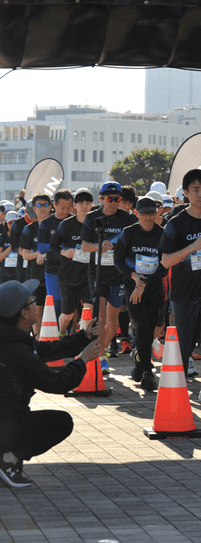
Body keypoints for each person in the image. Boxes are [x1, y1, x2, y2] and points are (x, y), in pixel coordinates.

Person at [0, 279, 101, 488]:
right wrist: (82, 361)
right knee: (61, 422)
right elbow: (56, 383)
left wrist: (84, 336)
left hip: (6, 420)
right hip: (6, 426)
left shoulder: (11, 340)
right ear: (23, 313)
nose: (36, 305)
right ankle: (8, 459)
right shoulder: (15, 350)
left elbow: (46, 351)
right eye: (31, 301)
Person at [158, 169, 201, 404]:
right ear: (185, 193)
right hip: (183, 294)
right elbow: (166, 261)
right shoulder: (176, 224)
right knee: (184, 345)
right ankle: (174, 391)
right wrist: (191, 248)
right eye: (195, 190)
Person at [113, 196, 168, 392]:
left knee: (151, 329)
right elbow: (118, 259)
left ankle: (139, 357)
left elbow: (165, 265)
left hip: (153, 289)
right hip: (132, 288)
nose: (148, 216)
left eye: (152, 212)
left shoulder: (163, 234)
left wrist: (145, 282)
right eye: (144, 213)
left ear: (157, 213)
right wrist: (133, 275)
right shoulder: (128, 233)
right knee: (141, 327)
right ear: (136, 213)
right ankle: (148, 372)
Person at [82, 182, 137, 375]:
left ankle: (102, 350)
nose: (113, 202)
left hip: (118, 274)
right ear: (101, 199)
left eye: (117, 199)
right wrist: (100, 246)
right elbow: (84, 247)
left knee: (113, 321)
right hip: (97, 273)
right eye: (109, 199)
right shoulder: (92, 217)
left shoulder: (128, 218)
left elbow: (133, 244)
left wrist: (118, 248)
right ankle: (100, 357)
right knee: (101, 316)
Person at [51, 188, 94, 335]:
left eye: (88, 203)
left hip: (89, 276)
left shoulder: (96, 225)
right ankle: (62, 332)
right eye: (80, 203)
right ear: (75, 205)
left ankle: (82, 341)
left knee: (88, 310)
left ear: (92, 205)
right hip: (68, 276)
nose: (84, 206)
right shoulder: (66, 225)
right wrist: (64, 252)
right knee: (68, 314)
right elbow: (53, 245)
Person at [35, 189, 72, 318]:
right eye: (62, 207)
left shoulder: (75, 222)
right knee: (56, 305)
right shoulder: (46, 224)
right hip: (52, 270)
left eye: (69, 207)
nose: (66, 210)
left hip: (72, 270)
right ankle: (54, 335)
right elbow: (41, 248)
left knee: (70, 307)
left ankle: (68, 334)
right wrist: (57, 247)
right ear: (54, 205)